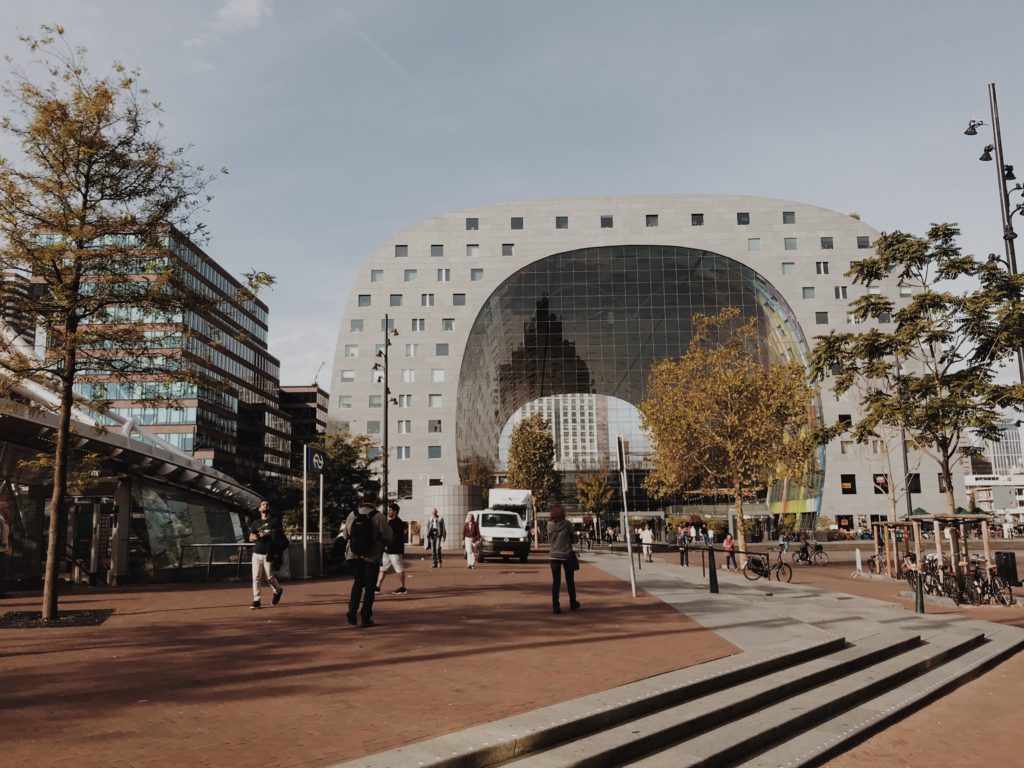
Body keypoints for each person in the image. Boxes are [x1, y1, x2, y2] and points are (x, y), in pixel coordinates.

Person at [344, 490, 392, 627]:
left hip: (353, 555)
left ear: (362, 500)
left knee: (358, 583)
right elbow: (389, 536)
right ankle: (365, 617)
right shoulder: (378, 516)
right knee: (370, 588)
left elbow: (346, 535)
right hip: (372, 556)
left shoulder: (353, 514)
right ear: (375, 501)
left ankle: (352, 610)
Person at [248, 501, 284, 610]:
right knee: (256, 577)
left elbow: (279, 534)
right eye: (263, 504)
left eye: (267, 504)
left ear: (269, 508)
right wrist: (258, 536)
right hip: (257, 553)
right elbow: (250, 538)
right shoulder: (256, 523)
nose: (265, 506)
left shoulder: (275, 521)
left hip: (269, 552)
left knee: (269, 577)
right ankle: (256, 600)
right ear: (259, 509)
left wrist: (271, 533)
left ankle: (278, 590)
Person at [547, 503, 580, 614]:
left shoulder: (549, 525)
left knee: (556, 581)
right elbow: (573, 538)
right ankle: (573, 603)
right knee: (570, 580)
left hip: (553, 556)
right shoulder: (567, 524)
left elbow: (550, 538)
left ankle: (555, 606)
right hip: (566, 555)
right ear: (563, 513)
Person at [376, 501, 409, 594]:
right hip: (388, 551)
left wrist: (387, 545)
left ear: (395, 512)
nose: (389, 512)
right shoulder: (392, 522)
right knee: (383, 569)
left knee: (399, 569)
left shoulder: (397, 523)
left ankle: (403, 587)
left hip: (395, 551)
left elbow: (395, 538)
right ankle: (377, 587)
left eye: (390, 510)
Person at [0, 512, 11, 599]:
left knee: (2, 572)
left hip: (2, 550)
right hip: (0, 550)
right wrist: (1, 544)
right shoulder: (0, 520)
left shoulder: (3, 521)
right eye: (7, 509)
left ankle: (1, 593)